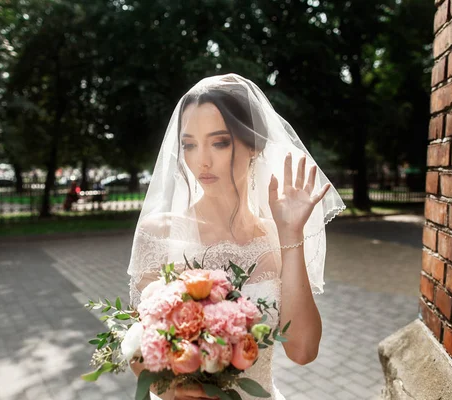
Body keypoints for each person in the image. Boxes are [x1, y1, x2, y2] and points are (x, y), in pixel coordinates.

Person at [127, 74, 345, 399]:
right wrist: (176, 390)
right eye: (189, 144)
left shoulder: (276, 238)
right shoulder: (160, 234)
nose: (201, 160)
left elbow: (302, 351)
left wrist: (290, 235)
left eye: (219, 142)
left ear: (253, 145)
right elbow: (137, 347)